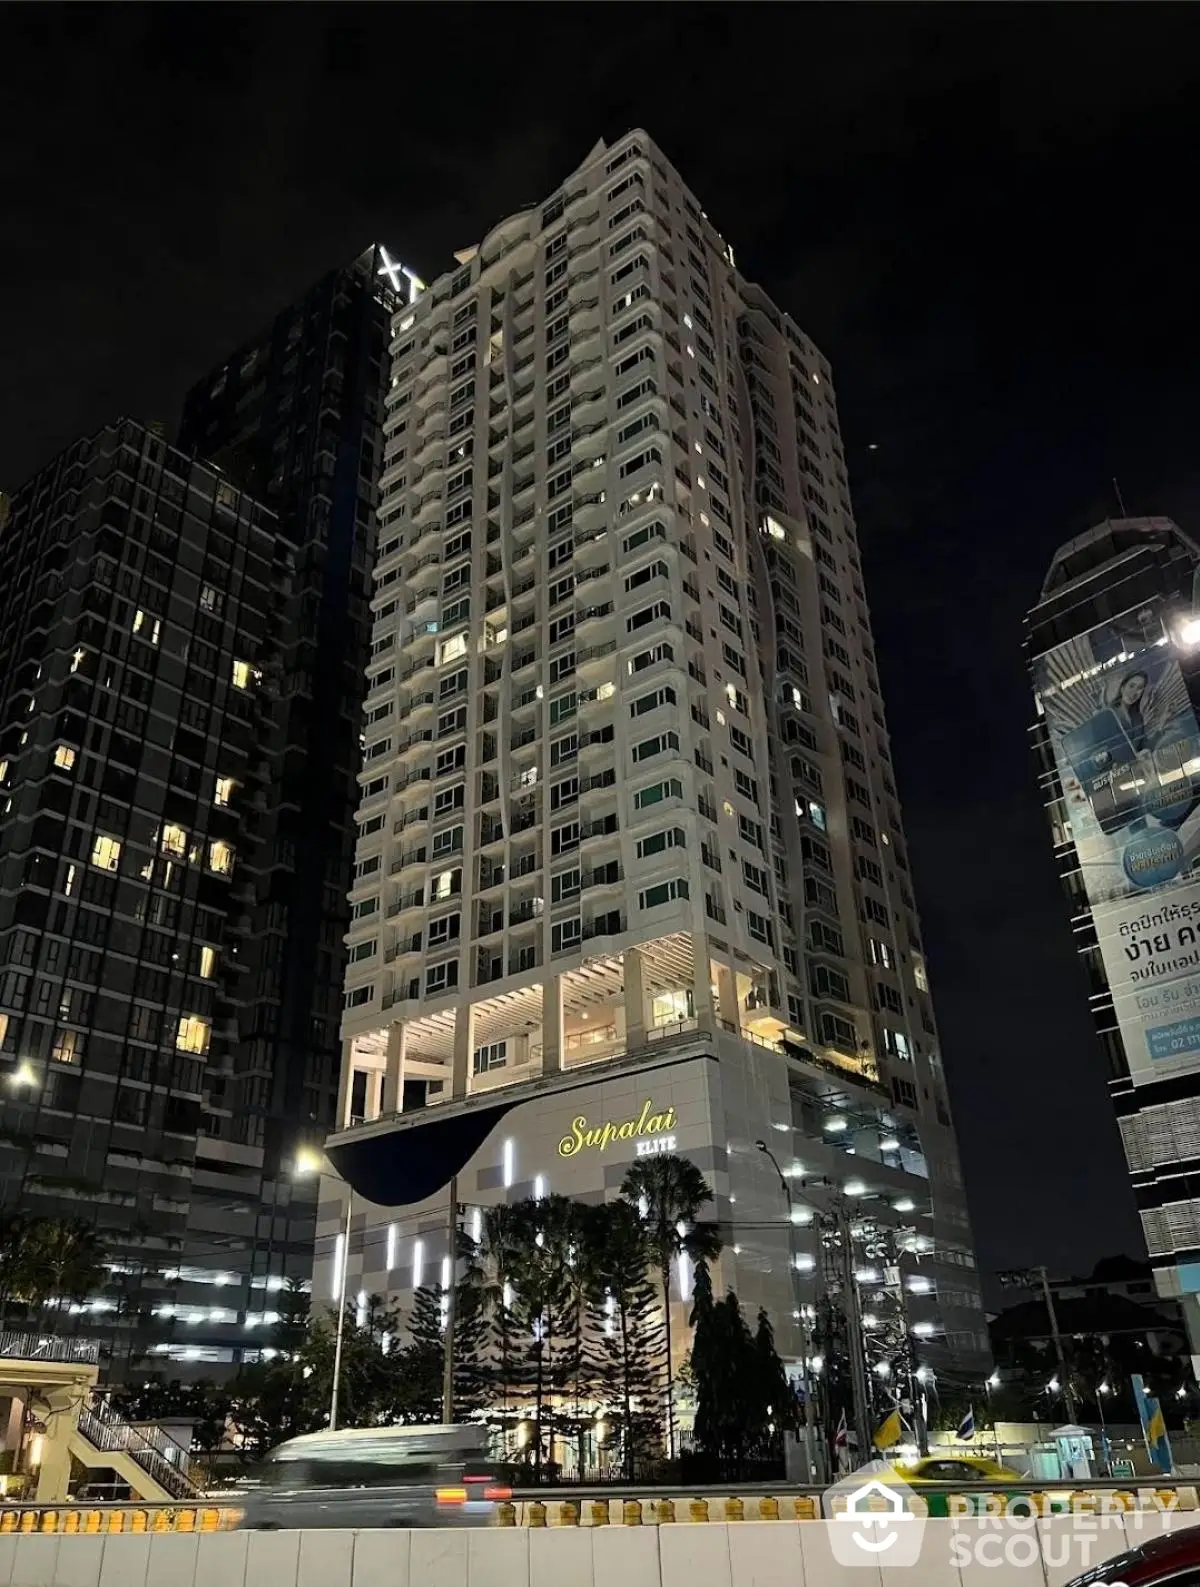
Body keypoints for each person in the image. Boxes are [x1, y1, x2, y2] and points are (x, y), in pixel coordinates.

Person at [1106, 669, 1150, 755]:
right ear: (1122, 688)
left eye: (1139, 688)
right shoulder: (1109, 714)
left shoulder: (1138, 718)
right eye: (1131, 686)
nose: (1134, 692)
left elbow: (1144, 744)